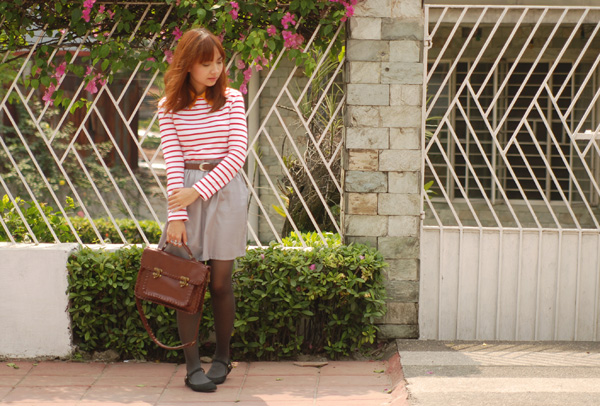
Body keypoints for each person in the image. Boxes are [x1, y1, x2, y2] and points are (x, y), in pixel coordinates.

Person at [156, 27, 248, 393]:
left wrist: (198, 191)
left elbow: (236, 155)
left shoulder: (232, 99)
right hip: (185, 196)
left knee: (221, 282)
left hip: (225, 192)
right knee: (188, 282)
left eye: (219, 62)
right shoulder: (168, 107)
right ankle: (192, 366)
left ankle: (223, 357)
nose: (215, 70)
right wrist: (176, 216)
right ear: (188, 64)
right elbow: (173, 161)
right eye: (206, 63)